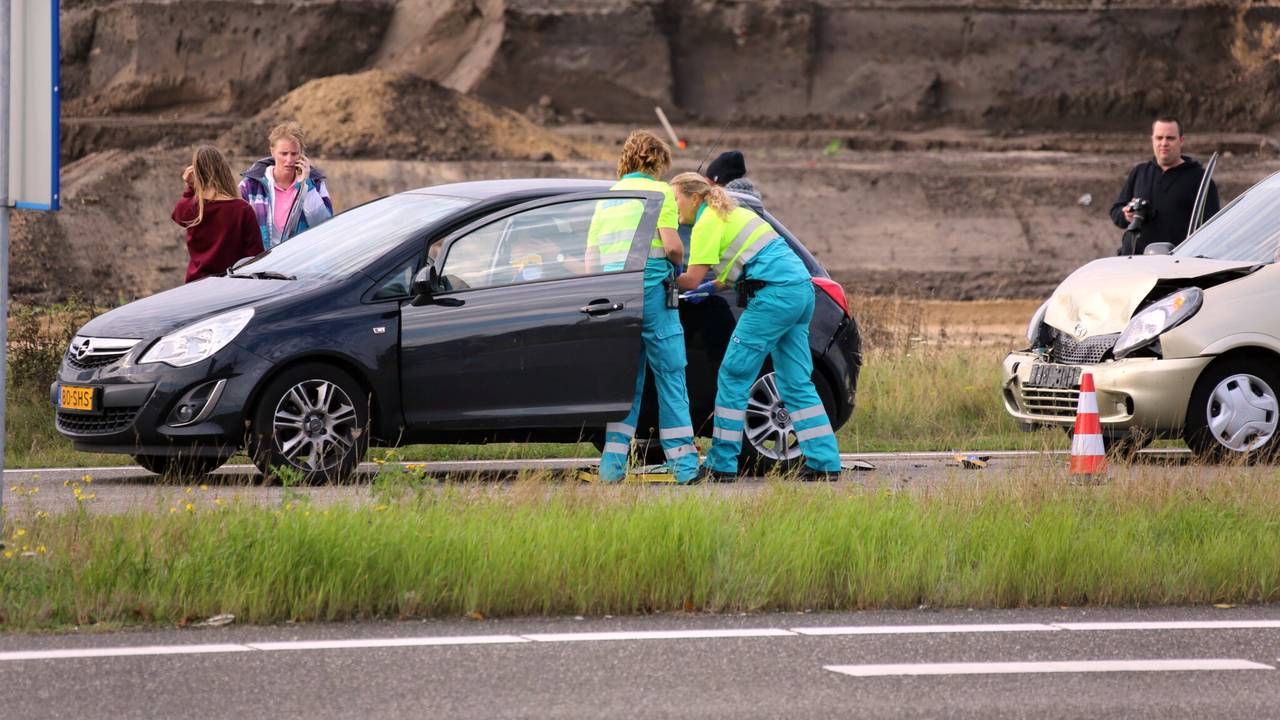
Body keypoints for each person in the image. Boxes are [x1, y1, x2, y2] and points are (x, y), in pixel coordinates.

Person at [672, 172, 841, 482]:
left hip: (773, 297)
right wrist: (711, 288)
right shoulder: (731, 212)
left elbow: (691, 278)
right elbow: (738, 267)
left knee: (733, 374)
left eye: (675, 199)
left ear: (694, 198)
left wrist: (663, 278)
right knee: (795, 382)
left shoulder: (706, 221)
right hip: (800, 292)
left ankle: (722, 463)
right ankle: (824, 462)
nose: (673, 207)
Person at [588, 130, 700, 485]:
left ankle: (611, 467)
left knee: (626, 382)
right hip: (653, 293)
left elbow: (591, 261)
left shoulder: (607, 198)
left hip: (614, 299)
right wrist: (679, 263)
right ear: (657, 161)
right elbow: (673, 247)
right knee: (670, 375)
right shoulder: (660, 192)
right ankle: (685, 466)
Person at [1109, 117, 1220, 255]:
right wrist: (1126, 214)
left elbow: (1212, 227)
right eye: (1159, 138)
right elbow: (1116, 213)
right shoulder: (1139, 172)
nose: (1164, 143)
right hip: (1138, 261)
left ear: (1181, 140)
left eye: (1170, 138)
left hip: (1177, 261)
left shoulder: (1200, 179)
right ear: (1152, 140)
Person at [171, 145, 263, 283]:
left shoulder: (192, 207)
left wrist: (189, 188)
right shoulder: (242, 209)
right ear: (224, 170)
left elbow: (177, 215)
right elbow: (255, 255)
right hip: (232, 284)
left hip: (196, 286)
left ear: (196, 174)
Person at [239, 121, 334, 249]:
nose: (289, 160)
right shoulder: (250, 186)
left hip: (303, 257)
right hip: (263, 259)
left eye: (294, 154)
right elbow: (240, 231)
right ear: (272, 152)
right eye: (284, 154)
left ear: (301, 154)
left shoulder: (316, 184)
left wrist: (305, 185)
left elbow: (324, 225)